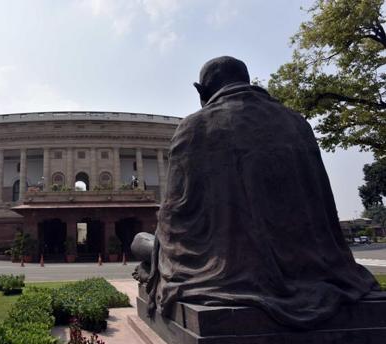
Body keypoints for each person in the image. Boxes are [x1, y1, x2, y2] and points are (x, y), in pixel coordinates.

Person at [134, 56, 384, 329]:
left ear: (200, 91)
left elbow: (175, 215)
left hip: (225, 267)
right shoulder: (298, 124)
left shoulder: (195, 127)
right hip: (316, 267)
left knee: (140, 241)